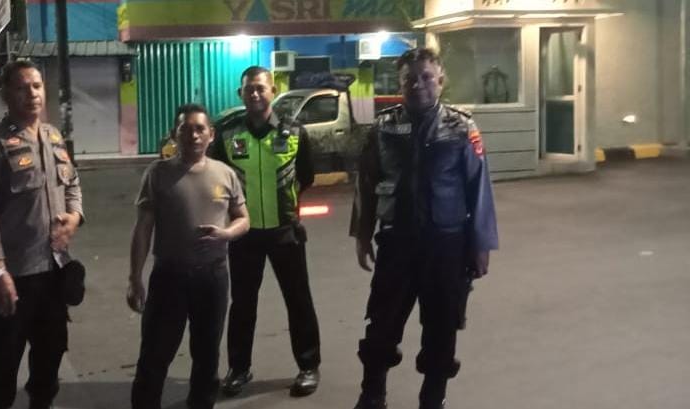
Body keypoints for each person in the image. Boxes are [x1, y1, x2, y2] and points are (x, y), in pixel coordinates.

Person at [349, 48, 499, 409]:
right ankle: (372, 395)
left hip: (447, 246)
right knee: (381, 324)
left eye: (426, 77)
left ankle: (433, 398)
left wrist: (481, 244)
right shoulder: (383, 128)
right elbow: (366, 184)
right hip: (396, 243)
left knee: (441, 328)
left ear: (440, 81)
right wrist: (362, 235)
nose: (418, 85)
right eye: (409, 79)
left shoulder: (462, 127)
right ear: (399, 84)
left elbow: (479, 187)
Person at [0, 59, 84, 409]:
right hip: (13, 277)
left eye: (37, 86)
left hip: (54, 272)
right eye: (22, 88)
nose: (32, 94)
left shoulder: (52, 136)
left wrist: (75, 216)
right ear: (6, 95)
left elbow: (73, 182)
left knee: (49, 361)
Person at [127, 104, 250, 409]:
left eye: (199, 129)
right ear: (174, 134)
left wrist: (226, 233)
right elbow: (143, 228)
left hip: (212, 277)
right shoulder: (158, 173)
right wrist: (135, 278)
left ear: (211, 134)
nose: (193, 135)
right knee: (155, 354)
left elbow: (243, 218)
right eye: (185, 129)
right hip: (169, 277)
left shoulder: (225, 174)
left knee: (207, 355)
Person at [209, 66, 322, 397]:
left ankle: (308, 366)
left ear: (273, 90)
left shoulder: (295, 132)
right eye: (249, 89)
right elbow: (216, 177)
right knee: (242, 304)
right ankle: (239, 369)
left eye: (260, 88)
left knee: (298, 301)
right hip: (244, 234)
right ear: (240, 94)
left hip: (285, 232)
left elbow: (306, 176)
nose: (255, 94)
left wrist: (287, 205)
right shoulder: (227, 134)